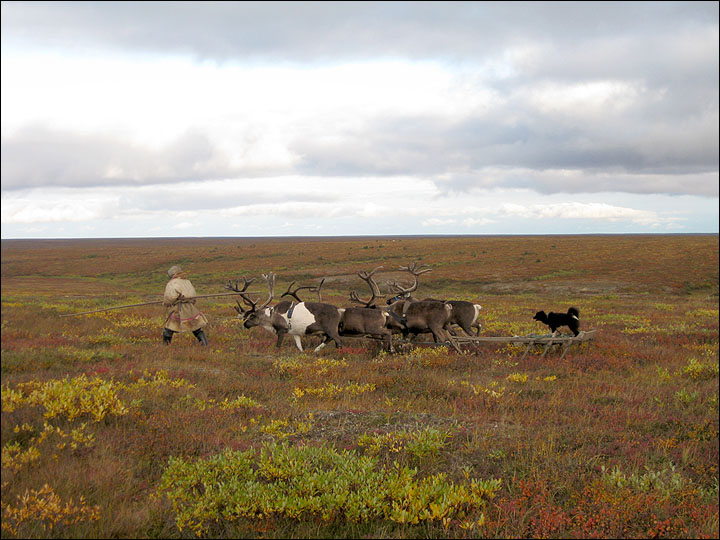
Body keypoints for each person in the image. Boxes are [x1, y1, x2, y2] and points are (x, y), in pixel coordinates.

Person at [162, 265, 209, 346]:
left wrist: (166, 303)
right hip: (190, 307)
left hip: (178, 308)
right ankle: (204, 344)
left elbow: (170, 297)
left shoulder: (172, 283)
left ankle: (165, 346)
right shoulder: (187, 281)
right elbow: (193, 295)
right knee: (196, 328)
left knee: (169, 328)